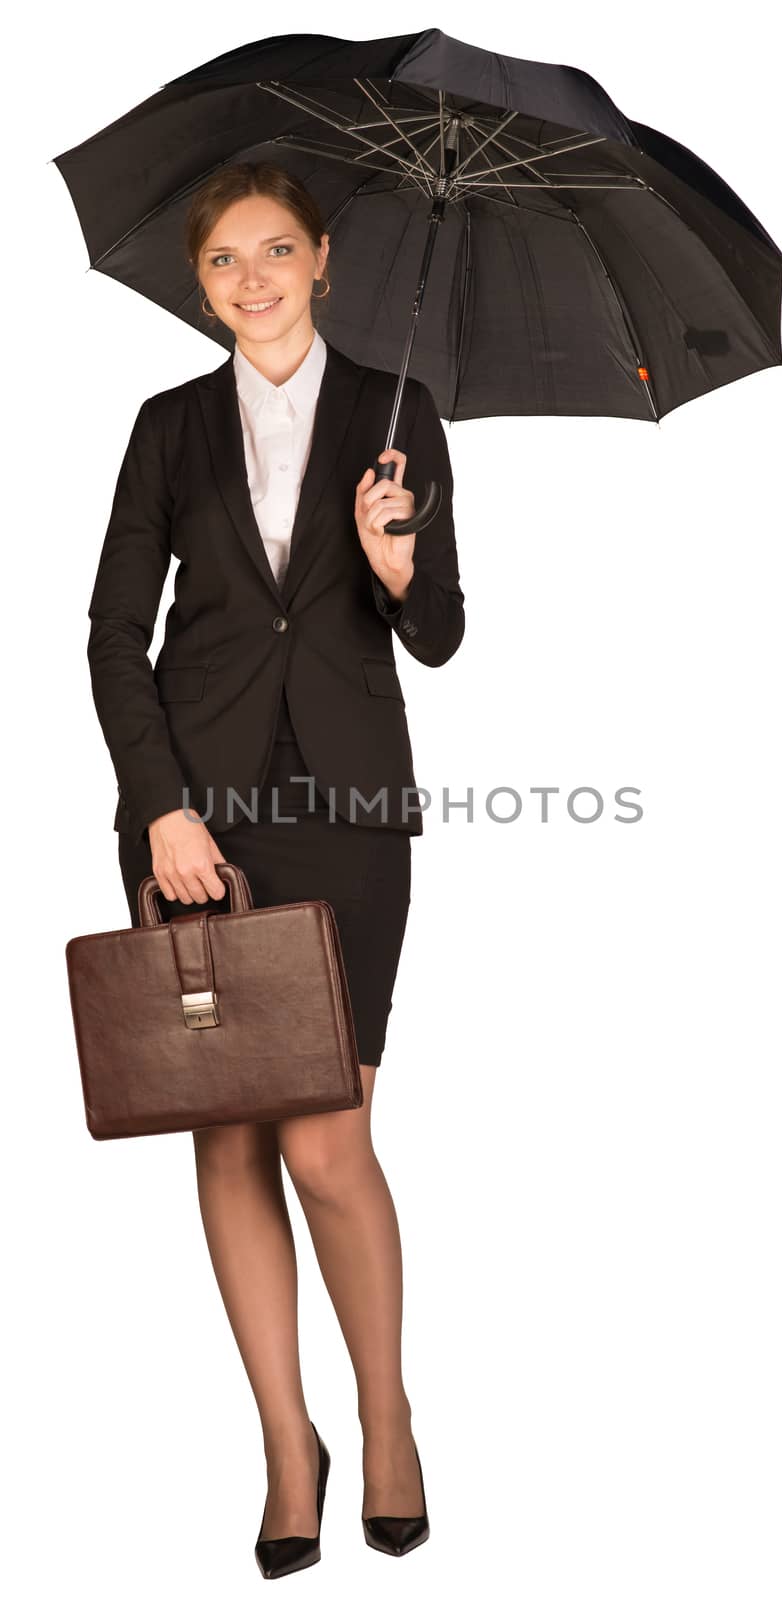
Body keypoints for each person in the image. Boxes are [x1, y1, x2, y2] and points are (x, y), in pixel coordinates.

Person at [86, 160, 465, 1577]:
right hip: (195, 814)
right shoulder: (168, 428)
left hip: (349, 812)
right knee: (228, 1134)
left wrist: (390, 559)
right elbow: (115, 634)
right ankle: (282, 1442)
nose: (249, 281)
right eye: (222, 265)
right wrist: (162, 811)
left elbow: (438, 635)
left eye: (273, 253)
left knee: (324, 1138)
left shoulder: (394, 415)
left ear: (319, 261)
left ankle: (384, 1421)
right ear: (204, 287)